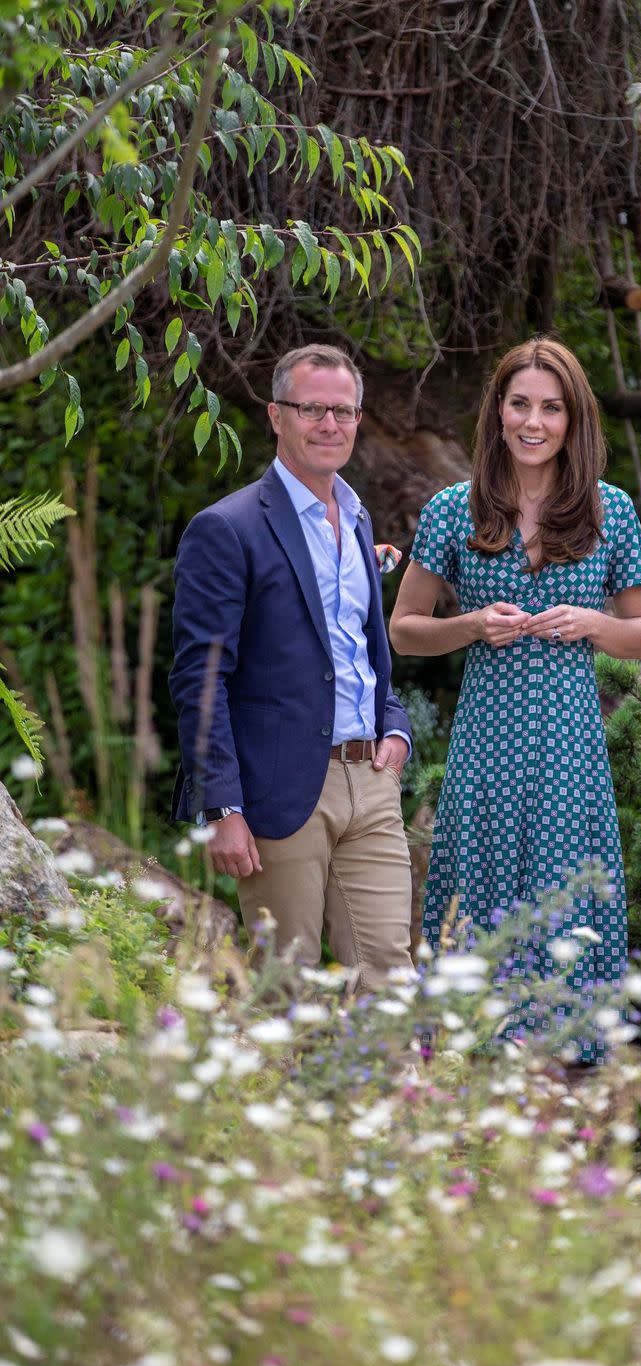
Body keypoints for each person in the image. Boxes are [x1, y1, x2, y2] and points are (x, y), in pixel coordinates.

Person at [390, 337, 641, 1062]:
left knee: (566, 898)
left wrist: (596, 624)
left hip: (570, 749)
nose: (533, 422)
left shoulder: (611, 510)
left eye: (551, 407)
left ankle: (566, 1073)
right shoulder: (453, 509)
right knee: (478, 894)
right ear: (497, 412)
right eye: (520, 405)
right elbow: (405, 631)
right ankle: (473, 1068)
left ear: (574, 420)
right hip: (487, 742)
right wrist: (470, 625)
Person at [169, 343, 414, 990]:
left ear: (359, 419)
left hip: (372, 781)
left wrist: (394, 725)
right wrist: (221, 804)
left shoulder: (357, 519)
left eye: (343, 411)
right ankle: (273, 1094)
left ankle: (391, 1096)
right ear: (277, 415)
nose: (329, 424)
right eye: (312, 409)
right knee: (287, 985)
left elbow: (360, 646)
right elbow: (201, 679)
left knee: (389, 979)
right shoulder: (228, 529)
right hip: (277, 790)